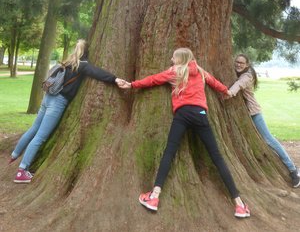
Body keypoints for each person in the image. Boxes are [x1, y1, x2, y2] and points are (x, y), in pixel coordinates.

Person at [117, 47, 250, 218]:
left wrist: (131, 84)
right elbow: (216, 83)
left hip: (182, 114)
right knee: (217, 157)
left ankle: (154, 196)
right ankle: (239, 204)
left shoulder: (175, 71)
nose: (171, 60)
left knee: (169, 152)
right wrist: (227, 91)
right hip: (201, 115)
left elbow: (153, 80)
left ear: (180, 59)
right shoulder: (201, 72)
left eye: (173, 57)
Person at [10, 39, 126, 184]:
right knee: (40, 137)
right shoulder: (82, 65)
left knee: (34, 129)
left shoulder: (66, 62)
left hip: (47, 98)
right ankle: (21, 171)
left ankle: (14, 155)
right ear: (87, 52)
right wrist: (114, 79)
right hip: (58, 102)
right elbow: (97, 73)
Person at [228, 53, 300, 188]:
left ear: (247, 65)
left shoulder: (247, 76)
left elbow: (238, 85)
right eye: (237, 62)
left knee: (269, 139)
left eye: (241, 63)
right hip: (245, 114)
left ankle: (292, 170)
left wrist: (229, 93)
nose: (238, 64)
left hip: (254, 113)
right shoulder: (237, 72)